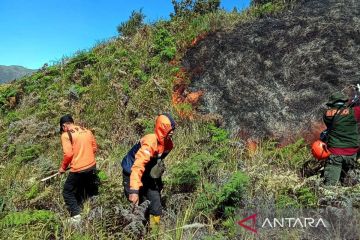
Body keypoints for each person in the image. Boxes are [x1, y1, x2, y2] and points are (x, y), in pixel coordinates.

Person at [121, 113, 176, 231]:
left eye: (173, 129)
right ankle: (138, 233)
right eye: (169, 129)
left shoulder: (169, 144)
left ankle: (154, 234)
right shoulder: (150, 141)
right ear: (162, 128)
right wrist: (134, 190)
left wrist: (158, 183)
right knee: (138, 207)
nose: (172, 132)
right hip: (131, 173)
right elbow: (137, 166)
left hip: (147, 175)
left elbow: (156, 163)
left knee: (156, 207)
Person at [58, 114, 99, 223]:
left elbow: (68, 154)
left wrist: (63, 168)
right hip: (92, 165)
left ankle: (76, 216)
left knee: (67, 191)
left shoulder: (65, 135)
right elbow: (94, 148)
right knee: (87, 188)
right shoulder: (86, 131)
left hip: (78, 169)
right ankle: (95, 210)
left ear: (64, 126)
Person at [323, 92, 360, 186]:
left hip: (335, 153)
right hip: (352, 153)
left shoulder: (326, 114)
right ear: (344, 101)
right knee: (349, 186)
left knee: (330, 187)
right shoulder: (354, 111)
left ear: (332, 103)